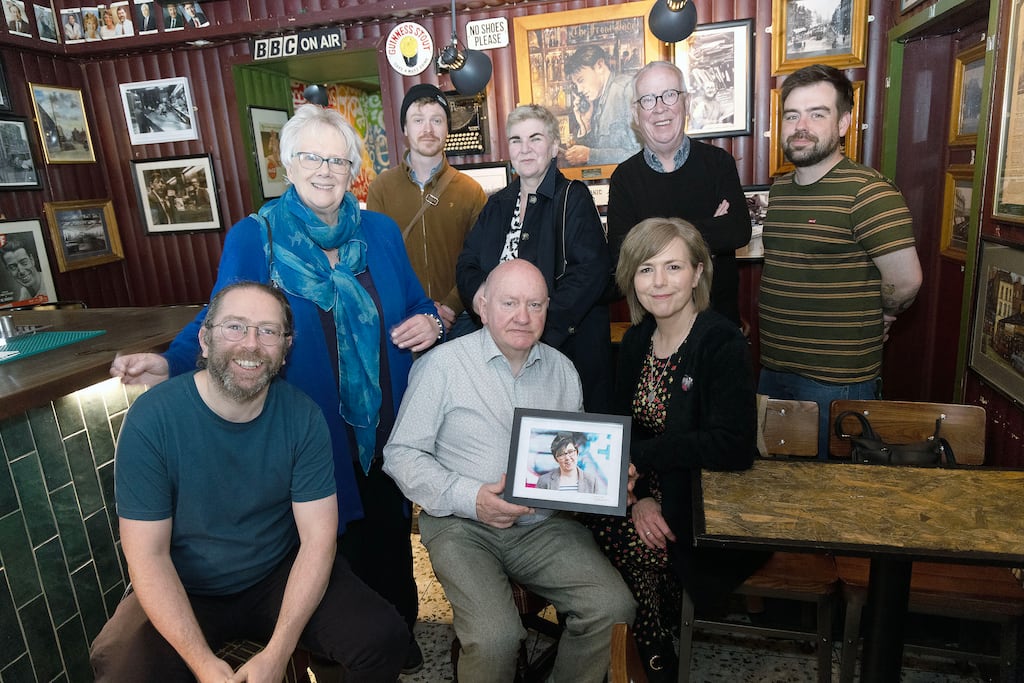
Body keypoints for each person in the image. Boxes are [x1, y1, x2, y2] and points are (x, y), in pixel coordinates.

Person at [109, 104, 441, 675]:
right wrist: (170, 363)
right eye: (310, 156)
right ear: (287, 164)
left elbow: (415, 304)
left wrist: (433, 322)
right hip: (305, 431)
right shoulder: (256, 237)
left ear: (353, 169)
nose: (324, 169)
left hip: (384, 427)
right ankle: (321, 652)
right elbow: (224, 317)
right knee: (327, 549)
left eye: (337, 159)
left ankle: (387, 648)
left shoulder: (381, 232)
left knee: (388, 546)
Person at [90, 282, 407, 682]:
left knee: (383, 638)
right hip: (186, 583)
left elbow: (317, 541)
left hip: (277, 572)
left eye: (268, 331)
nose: (251, 344)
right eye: (235, 327)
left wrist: (278, 653)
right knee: (121, 666)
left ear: (285, 347)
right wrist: (203, 665)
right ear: (204, 340)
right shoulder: (152, 420)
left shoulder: (302, 417)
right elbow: (148, 557)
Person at [383, 259, 636, 683]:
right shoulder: (441, 366)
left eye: (535, 304)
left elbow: (570, 458)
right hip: (461, 526)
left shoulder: (562, 369)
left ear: (547, 309)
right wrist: (471, 497)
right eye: (510, 302)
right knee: (495, 636)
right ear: (482, 305)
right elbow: (401, 454)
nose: (523, 316)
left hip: (542, 525)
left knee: (612, 606)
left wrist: (605, 478)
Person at [584, 217, 767, 682]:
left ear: (698, 273)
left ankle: (650, 657)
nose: (659, 282)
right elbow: (628, 430)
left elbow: (732, 446)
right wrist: (640, 495)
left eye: (673, 267)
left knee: (625, 542)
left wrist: (643, 463)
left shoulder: (720, 340)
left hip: (708, 502)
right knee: (586, 520)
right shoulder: (636, 341)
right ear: (631, 279)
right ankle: (651, 646)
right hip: (651, 489)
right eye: (645, 269)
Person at [757, 64, 922, 458]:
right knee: (774, 487)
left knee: (829, 494)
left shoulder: (869, 192)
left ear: (845, 122)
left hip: (837, 381)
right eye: (792, 115)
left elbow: (907, 281)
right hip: (774, 370)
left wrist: (884, 315)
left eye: (818, 114)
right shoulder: (779, 192)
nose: (801, 125)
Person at [456, 104, 613, 412]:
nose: (525, 149)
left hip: (565, 349)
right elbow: (467, 264)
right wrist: (483, 304)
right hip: (503, 351)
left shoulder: (573, 197)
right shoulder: (496, 205)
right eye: (516, 140)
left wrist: (532, 328)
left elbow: (591, 274)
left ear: (554, 146)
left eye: (535, 138)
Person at [606, 61, 749, 326]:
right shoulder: (624, 179)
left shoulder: (719, 163)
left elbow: (737, 231)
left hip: (718, 325)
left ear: (687, 103)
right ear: (636, 114)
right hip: (654, 331)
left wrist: (650, 243)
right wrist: (707, 236)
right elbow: (622, 255)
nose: (660, 107)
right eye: (647, 99)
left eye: (670, 95)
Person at [366, 84, 487, 334]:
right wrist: (415, 306)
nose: (428, 129)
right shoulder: (381, 188)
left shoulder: (470, 190)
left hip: (460, 321)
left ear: (447, 129)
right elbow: (377, 258)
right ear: (405, 129)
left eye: (437, 120)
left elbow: (482, 258)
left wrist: (451, 307)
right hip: (404, 318)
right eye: (418, 120)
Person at [562, 45, 641, 167]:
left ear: (599, 66)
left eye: (581, 80)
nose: (579, 89)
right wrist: (585, 125)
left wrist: (590, 155)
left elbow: (640, 154)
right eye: (576, 84)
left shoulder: (626, 90)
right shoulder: (600, 97)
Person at [535, 432, 606, 494]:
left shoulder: (592, 481)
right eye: (561, 454)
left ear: (577, 453)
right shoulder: (543, 480)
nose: (567, 458)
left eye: (571, 452)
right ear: (556, 459)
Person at [2, 237, 45, 302]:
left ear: (32, 260)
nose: (21, 271)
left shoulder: (48, 287)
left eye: (24, 263)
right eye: (13, 267)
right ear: (8, 270)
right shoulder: (24, 292)